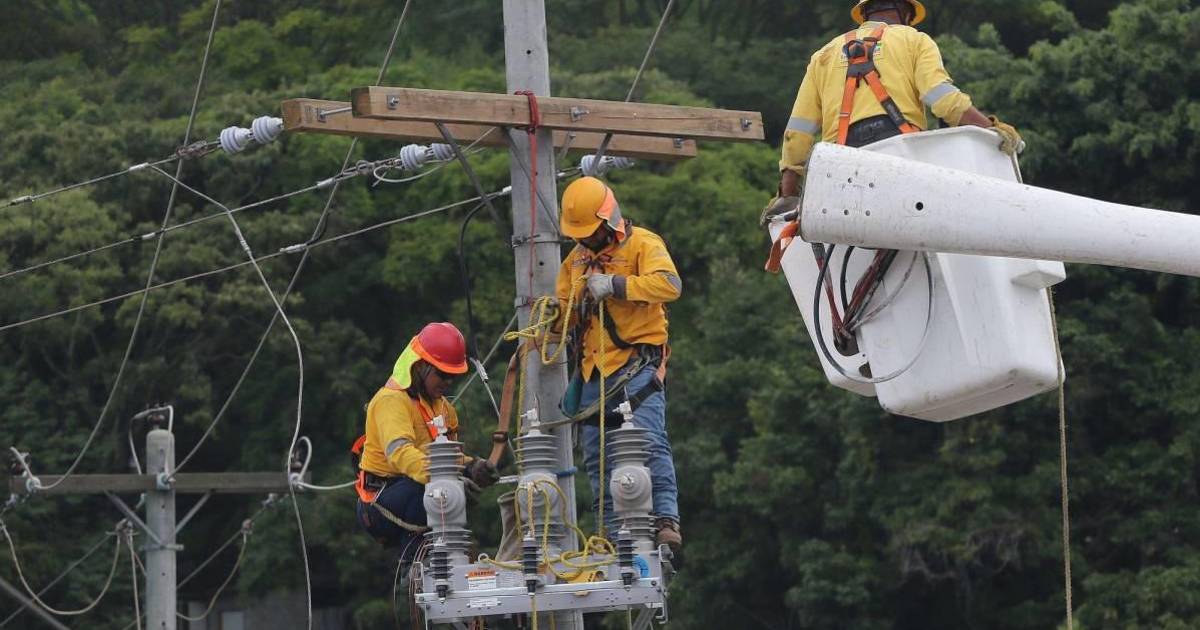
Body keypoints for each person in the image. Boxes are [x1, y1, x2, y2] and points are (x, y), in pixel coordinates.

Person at [761, 0, 1025, 224]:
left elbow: (798, 131)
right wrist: (990, 128)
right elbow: (943, 100)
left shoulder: (824, 55)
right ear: (906, 13)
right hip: (901, 158)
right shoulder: (914, 40)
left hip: (839, 167)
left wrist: (788, 195)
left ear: (865, 14)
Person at [554, 176, 683, 552]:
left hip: (636, 366)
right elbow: (562, 315)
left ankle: (665, 519)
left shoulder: (643, 243)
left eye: (590, 233)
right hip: (593, 373)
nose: (586, 240)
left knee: (648, 443)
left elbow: (669, 285)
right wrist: (551, 318)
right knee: (599, 460)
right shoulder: (575, 261)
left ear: (608, 219)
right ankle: (613, 536)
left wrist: (616, 285)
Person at [353, 322, 498, 558]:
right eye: (442, 374)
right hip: (380, 502)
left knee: (445, 490)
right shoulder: (391, 401)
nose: (448, 382)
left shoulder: (443, 408)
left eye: (452, 376)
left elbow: (445, 457)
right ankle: (415, 562)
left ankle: (442, 558)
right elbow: (400, 453)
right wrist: (445, 479)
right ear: (420, 366)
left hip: (414, 489)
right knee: (434, 491)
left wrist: (471, 466)